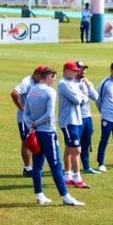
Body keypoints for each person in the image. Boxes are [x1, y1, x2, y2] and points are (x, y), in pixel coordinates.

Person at [23, 67, 84, 206]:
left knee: (37, 165)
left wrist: (31, 125)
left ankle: (39, 195)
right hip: (48, 133)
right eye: (53, 78)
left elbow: (25, 113)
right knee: (56, 166)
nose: (54, 81)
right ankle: (65, 196)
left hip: (36, 133)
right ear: (48, 76)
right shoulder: (50, 91)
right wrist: (37, 123)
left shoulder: (32, 91)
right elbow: (49, 115)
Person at [58, 61, 90, 188]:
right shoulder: (63, 84)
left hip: (75, 119)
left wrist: (81, 97)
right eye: (74, 70)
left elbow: (85, 99)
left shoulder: (72, 83)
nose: (76, 72)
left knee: (69, 148)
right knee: (77, 149)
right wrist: (81, 97)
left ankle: (67, 176)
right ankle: (77, 178)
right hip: (68, 121)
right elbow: (78, 100)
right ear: (66, 70)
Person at [10, 66, 44, 176]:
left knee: (35, 142)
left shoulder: (38, 83)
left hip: (34, 119)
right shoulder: (27, 82)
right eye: (42, 76)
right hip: (25, 119)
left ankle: (34, 167)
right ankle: (27, 168)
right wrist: (22, 107)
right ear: (37, 73)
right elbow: (14, 93)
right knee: (27, 143)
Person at [75, 61, 101, 174]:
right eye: (80, 69)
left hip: (87, 117)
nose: (83, 71)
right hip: (76, 118)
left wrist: (89, 85)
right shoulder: (71, 83)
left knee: (86, 143)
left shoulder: (85, 83)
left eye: (84, 69)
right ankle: (71, 169)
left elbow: (95, 97)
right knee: (74, 145)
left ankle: (86, 166)